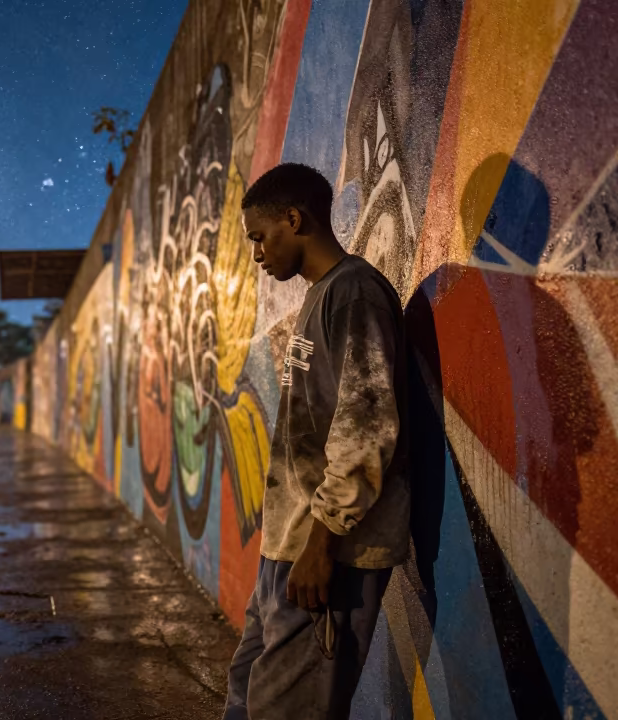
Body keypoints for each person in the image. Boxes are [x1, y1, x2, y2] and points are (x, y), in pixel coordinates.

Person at [224, 163, 409, 719]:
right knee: (247, 695)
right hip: (288, 549)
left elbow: (366, 428)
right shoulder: (320, 296)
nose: (257, 254)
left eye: (260, 237)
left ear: (293, 218)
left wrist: (321, 547)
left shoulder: (354, 295)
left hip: (327, 554)